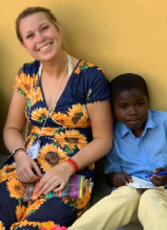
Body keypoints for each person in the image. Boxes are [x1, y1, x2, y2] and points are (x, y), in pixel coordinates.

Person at [0, 6, 113, 229]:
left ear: (58, 29)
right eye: (30, 36)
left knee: (38, 226)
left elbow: (103, 139)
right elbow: (12, 128)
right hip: (26, 165)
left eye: (44, 28)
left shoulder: (91, 76)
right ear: (24, 45)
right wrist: (20, 156)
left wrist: (68, 167)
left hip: (72, 169)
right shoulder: (26, 74)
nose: (40, 39)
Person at [69, 74, 167, 230]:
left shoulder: (164, 123)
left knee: (151, 196)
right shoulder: (112, 135)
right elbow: (110, 174)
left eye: (139, 104)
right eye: (123, 107)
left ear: (148, 101)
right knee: (126, 194)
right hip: (129, 205)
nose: (132, 111)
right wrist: (114, 177)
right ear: (113, 110)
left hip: (162, 201)